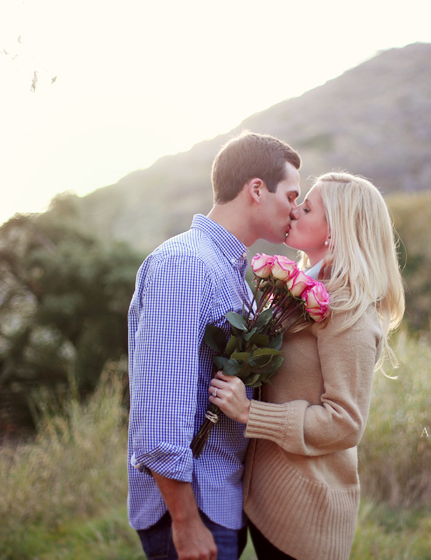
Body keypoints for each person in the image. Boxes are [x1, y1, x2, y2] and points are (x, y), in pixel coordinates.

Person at [209, 172, 406, 559]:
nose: (294, 211)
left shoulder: (346, 310)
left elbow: (345, 422)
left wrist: (250, 412)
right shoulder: (296, 292)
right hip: (266, 497)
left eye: (308, 207)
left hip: (305, 512)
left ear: (336, 230)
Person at [127, 131, 301, 560]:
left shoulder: (231, 272)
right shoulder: (186, 265)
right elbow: (160, 413)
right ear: (257, 189)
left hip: (219, 501)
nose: (296, 210)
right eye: (292, 195)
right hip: (191, 510)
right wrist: (186, 524)